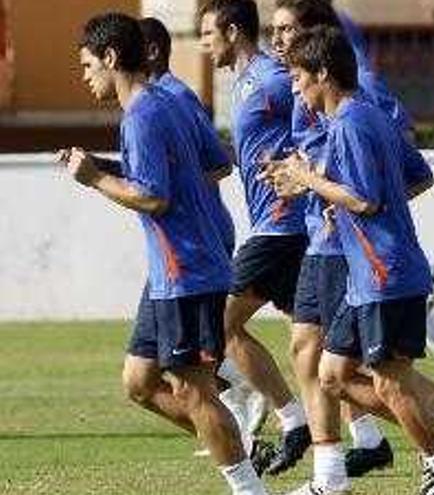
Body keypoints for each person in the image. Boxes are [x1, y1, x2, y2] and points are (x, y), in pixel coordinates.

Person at [262, 26, 434, 494]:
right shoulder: (366, 115)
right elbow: (402, 182)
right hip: (367, 276)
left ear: (323, 73)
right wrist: (317, 186)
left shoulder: (352, 122)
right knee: (331, 373)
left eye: (299, 77)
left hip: (385, 274)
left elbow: (364, 201)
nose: (295, 88)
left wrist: (308, 179)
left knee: (390, 387)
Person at [58, 12, 269, 494]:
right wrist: (104, 166)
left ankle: (247, 483)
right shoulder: (167, 103)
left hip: (187, 270)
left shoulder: (142, 116)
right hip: (172, 273)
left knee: (193, 390)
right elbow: (208, 165)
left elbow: (155, 197)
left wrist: (95, 179)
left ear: (111, 58)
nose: (85, 75)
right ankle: (236, 447)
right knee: (139, 382)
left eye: (89, 65)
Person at [138, 15, 271, 457]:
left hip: (197, 244)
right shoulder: (150, 102)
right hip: (177, 249)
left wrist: (172, 184)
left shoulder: (173, 99)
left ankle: (236, 405)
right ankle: (232, 419)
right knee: (145, 378)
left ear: (151, 53)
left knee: (179, 362)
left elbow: (218, 163)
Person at [199, 0, 311, 476]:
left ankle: (288, 418)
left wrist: (298, 171)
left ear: (231, 31)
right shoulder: (244, 84)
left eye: (207, 34)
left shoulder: (270, 78)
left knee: (218, 325)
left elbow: (317, 122)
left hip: (283, 225)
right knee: (325, 354)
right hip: (276, 226)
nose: (203, 44)